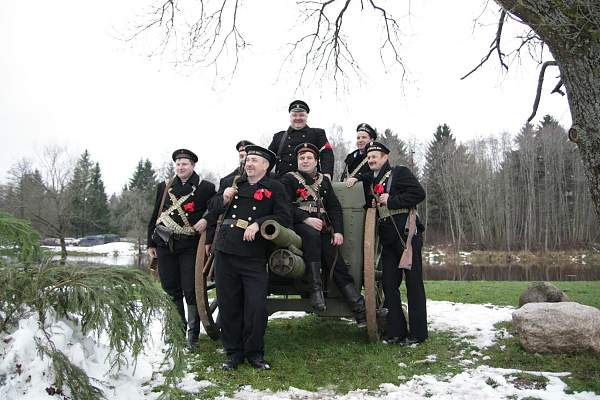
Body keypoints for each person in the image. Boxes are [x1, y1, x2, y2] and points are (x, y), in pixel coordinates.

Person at [209, 145, 291, 371]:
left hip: (254, 255)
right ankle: (233, 354)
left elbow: (285, 217)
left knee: (255, 307)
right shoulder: (234, 184)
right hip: (226, 250)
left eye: (255, 160)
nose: (249, 164)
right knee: (229, 305)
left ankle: (254, 353)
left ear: (265, 165)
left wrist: (259, 223)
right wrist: (223, 199)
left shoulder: (275, 187)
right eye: (248, 160)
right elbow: (211, 209)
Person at [280, 143, 366, 324]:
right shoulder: (289, 180)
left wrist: (339, 232)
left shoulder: (324, 181)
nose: (305, 161)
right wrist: (305, 219)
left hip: (323, 228)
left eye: (308, 158)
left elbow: (334, 208)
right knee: (311, 236)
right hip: (299, 226)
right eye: (301, 158)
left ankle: (358, 305)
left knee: (334, 255)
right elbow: (284, 206)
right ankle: (315, 291)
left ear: (316, 161)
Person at [147, 149, 216, 348]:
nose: (180, 167)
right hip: (164, 244)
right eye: (178, 164)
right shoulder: (164, 186)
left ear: (193, 166)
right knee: (170, 288)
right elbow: (155, 215)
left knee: (190, 290)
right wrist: (150, 243)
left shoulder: (205, 187)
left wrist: (205, 219)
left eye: (184, 164)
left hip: (190, 245)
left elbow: (214, 210)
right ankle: (177, 330)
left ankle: (192, 334)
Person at [364, 141, 428, 345]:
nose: (372, 159)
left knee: (413, 285)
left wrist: (391, 200)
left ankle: (418, 334)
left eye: (376, 156)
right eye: (369, 156)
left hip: (407, 236)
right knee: (389, 284)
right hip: (388, 240)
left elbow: (419, 194)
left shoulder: (399, 173)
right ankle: (396, 332)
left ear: (385, 158)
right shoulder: (371, 180)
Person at [268, 100, 334, 179]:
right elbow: (268, 158)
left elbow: (327, 154)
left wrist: (327, 174)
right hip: (283, 183)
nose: (298, 118)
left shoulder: (317, 134)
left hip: (310, 183)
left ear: (306, 116)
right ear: (290, 117)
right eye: (294, 115)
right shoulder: (278, 136)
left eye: (301, 115)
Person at [341, 123, 377, 187]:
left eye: (364, 137)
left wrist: (358, 178)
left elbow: (375, 174)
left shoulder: (377, 155)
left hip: (369, 194)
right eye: (358, 138)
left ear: (371, 140)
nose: (360, 140)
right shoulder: (351, 157)